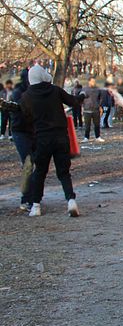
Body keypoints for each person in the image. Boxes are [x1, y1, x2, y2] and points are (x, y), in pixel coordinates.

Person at [19, 65, 80, 217]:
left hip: (42, 138)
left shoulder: (27, 96)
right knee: (64, 172)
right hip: (60, 136)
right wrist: (82, 96)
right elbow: (73, 102)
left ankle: (36, 206)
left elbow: (26, 118)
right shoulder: (55, 90)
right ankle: (71, 201)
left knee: (40, 172)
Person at [4, 69, 35, 210]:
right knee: (28, 163)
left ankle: (34, 196)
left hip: (34, 130)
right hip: (20, 131)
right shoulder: (18, 93)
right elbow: (16, 110)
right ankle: (25, 199)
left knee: (36, 162)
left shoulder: (35, 90)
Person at [79, 77, 105, 142]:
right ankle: (86, 137)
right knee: (87, 125)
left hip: (96, 109)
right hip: (87, 109)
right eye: (92, 81)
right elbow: (80, 98)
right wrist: (82, 107)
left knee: (97, 124)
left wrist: (100, 106)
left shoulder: (98, 89)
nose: (94, 83)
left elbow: (101, 98)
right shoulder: (84, 89)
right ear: (89, 81)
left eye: (94, 81)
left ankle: (98, 137)